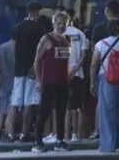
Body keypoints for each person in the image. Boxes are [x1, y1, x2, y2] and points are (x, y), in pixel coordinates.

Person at [90, 19, 119, 153]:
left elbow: (94, 64)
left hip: (107, 79)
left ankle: (108, 145)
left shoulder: (101, 44)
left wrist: (92, 82)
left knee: (107, 112)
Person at [32, 11, 72, 153]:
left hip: (63, 82)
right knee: (44, 111)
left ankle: (60, 140)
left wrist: (69, 77)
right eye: (58, 23)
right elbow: (37, 60)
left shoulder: (67, 40)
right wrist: (38, 80)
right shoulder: (46, 39)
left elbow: (66, 62)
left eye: (64, 24)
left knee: (61, 112)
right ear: (53, 24)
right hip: (48, 81)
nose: (61, 26)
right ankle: (37, 142)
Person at [7, 0, 46, 142]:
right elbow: (40, 51)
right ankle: (24, 133)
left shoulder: (16, 28)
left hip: (18, 70)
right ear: (36, 12)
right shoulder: (39, 28)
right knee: (29, 102)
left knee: (15, 101)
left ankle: (10, 134)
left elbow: (13, 48)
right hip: (32, 69)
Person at [64, 10, 88, 142]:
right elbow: (84, 56)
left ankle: (65, 135)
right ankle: (77, 135)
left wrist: (68, 71)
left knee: (66, 108)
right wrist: (75, 70)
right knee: (78, 107)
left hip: (63, 75)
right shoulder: (80, 34)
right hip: (78, 74)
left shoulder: (59, 34)